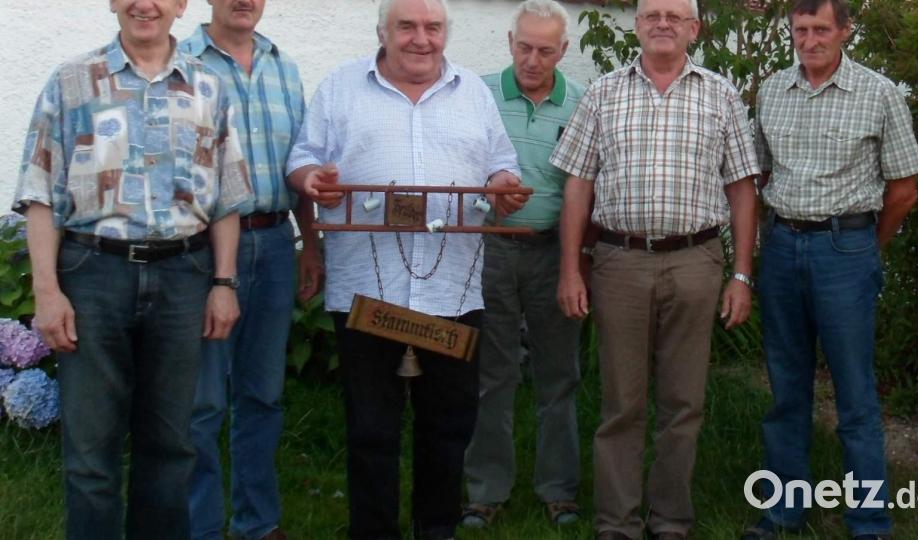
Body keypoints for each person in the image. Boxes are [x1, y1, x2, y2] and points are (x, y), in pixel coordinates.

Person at [285, 0, 526, 538]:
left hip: (452, 291)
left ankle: (434, 529)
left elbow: (500, 163)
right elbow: (302, 158)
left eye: (432, 27)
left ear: (446, 32)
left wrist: (503, 187)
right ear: (382, 32)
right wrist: (309, 180)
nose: (421, 39)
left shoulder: (474, 93)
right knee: (372, 428)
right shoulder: (340, 87)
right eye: (407, 27)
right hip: (366, 293)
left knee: (449, 424)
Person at [11, 1, 252, 538]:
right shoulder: (72, 82)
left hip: (184, 276)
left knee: (170, 447)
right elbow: (40, 192)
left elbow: (227, 198)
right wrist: (47, 292)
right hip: (94, 273)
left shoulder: (210, 86)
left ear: (181, 5)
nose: (146, 4)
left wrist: (224, 283)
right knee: (90, 449)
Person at [550, 0, 759, 537]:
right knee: (621, 401)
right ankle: (616, 521)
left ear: (693, 28)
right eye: (652, 14)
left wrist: (741, 274)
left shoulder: (721, 94)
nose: (662, 23)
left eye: (674, 15)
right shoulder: (604, 92)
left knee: (683, 401)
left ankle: (670, 519)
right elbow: (578, 183)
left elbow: (741, 187)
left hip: (696, 260)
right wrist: (571, 269)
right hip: (619, 263)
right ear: (638, 25)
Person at [742, 1, 918, 539]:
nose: (810, 39)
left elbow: (904, 188)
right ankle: (782, 511)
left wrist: (868, 246)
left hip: (845, 249)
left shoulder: (878, 93)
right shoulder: (773, 90)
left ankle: (869, 522)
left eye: (822, 29)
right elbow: (760, 174)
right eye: (801, 29)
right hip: (781, 248)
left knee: (855, 395)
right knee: (786, 391)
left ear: (845, 31)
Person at [180, 1, 320, 539]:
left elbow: (300, 159)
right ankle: (201, 527)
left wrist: (311, 244)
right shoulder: (184, 63)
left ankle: (258, 523)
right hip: (202, 249)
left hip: (276, 240)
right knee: (203, 400)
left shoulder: (282, 66)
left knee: (263, 394)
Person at [460, 0, 585, 529]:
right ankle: (485, 491)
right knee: (493, 373)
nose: (533, 60)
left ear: (564, 50)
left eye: (546, 50)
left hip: (554, 250)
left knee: (560, 374)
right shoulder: (477, 95)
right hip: (490, 248)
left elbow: (585, 184)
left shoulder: (581, 103)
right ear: (510, 43)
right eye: (525, 47)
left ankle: (559, 490)